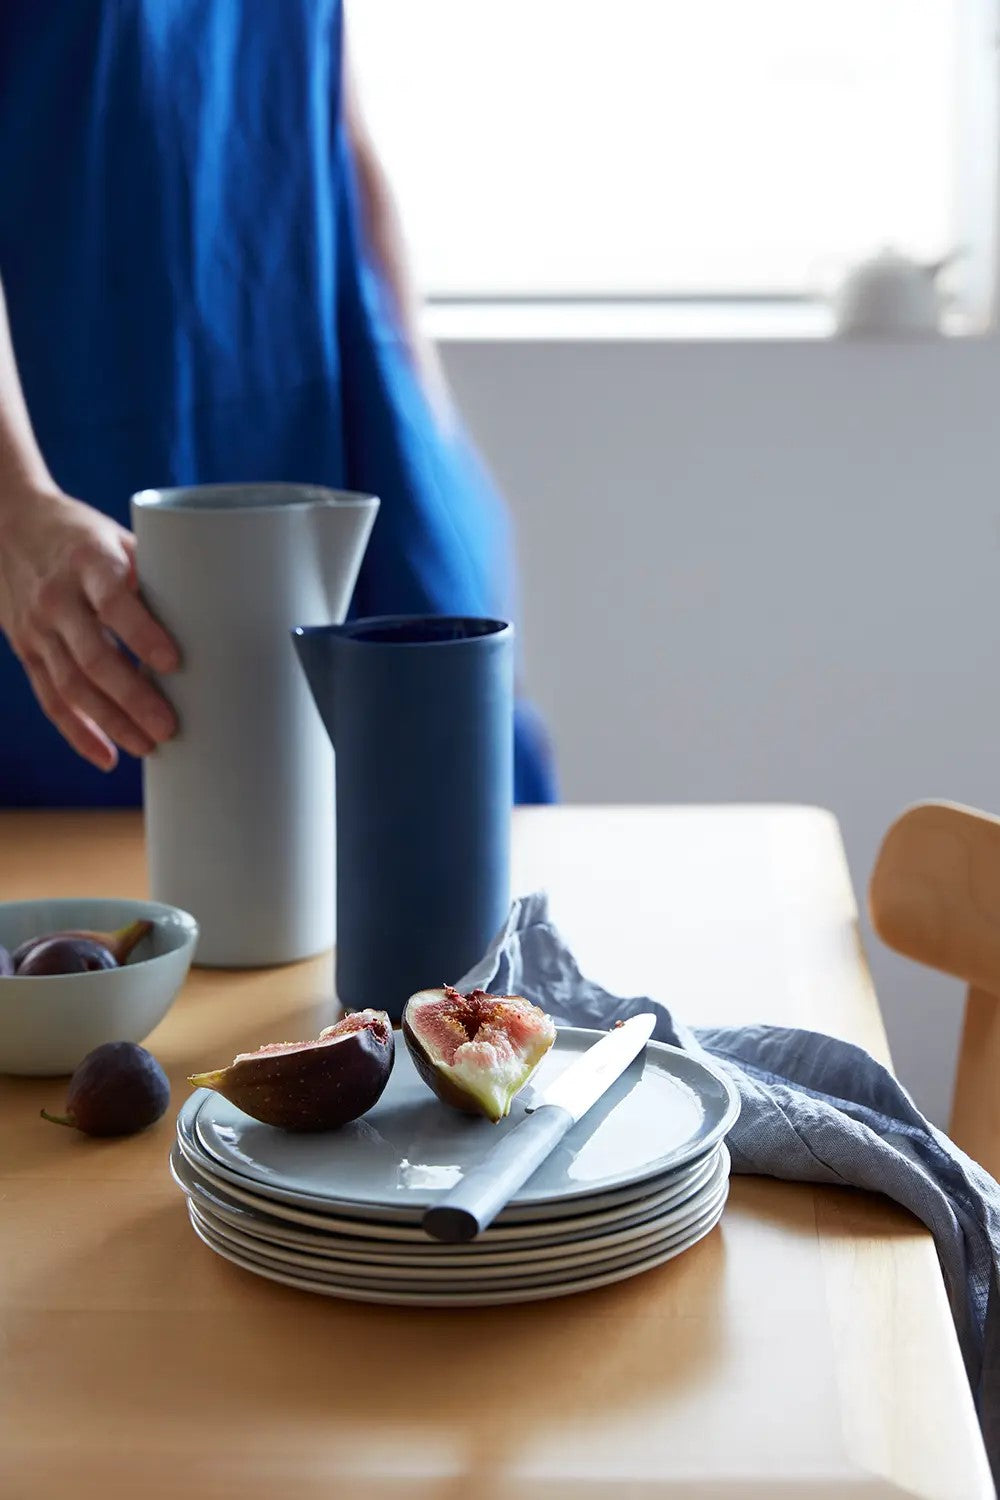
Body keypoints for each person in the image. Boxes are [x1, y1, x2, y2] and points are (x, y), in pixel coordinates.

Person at [0, 1, 556, 807]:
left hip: (335, 411)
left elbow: (334, 114)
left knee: (454, 840)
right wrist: (16, 508)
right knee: (129, 875)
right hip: (65, 451)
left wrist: (430, 448)